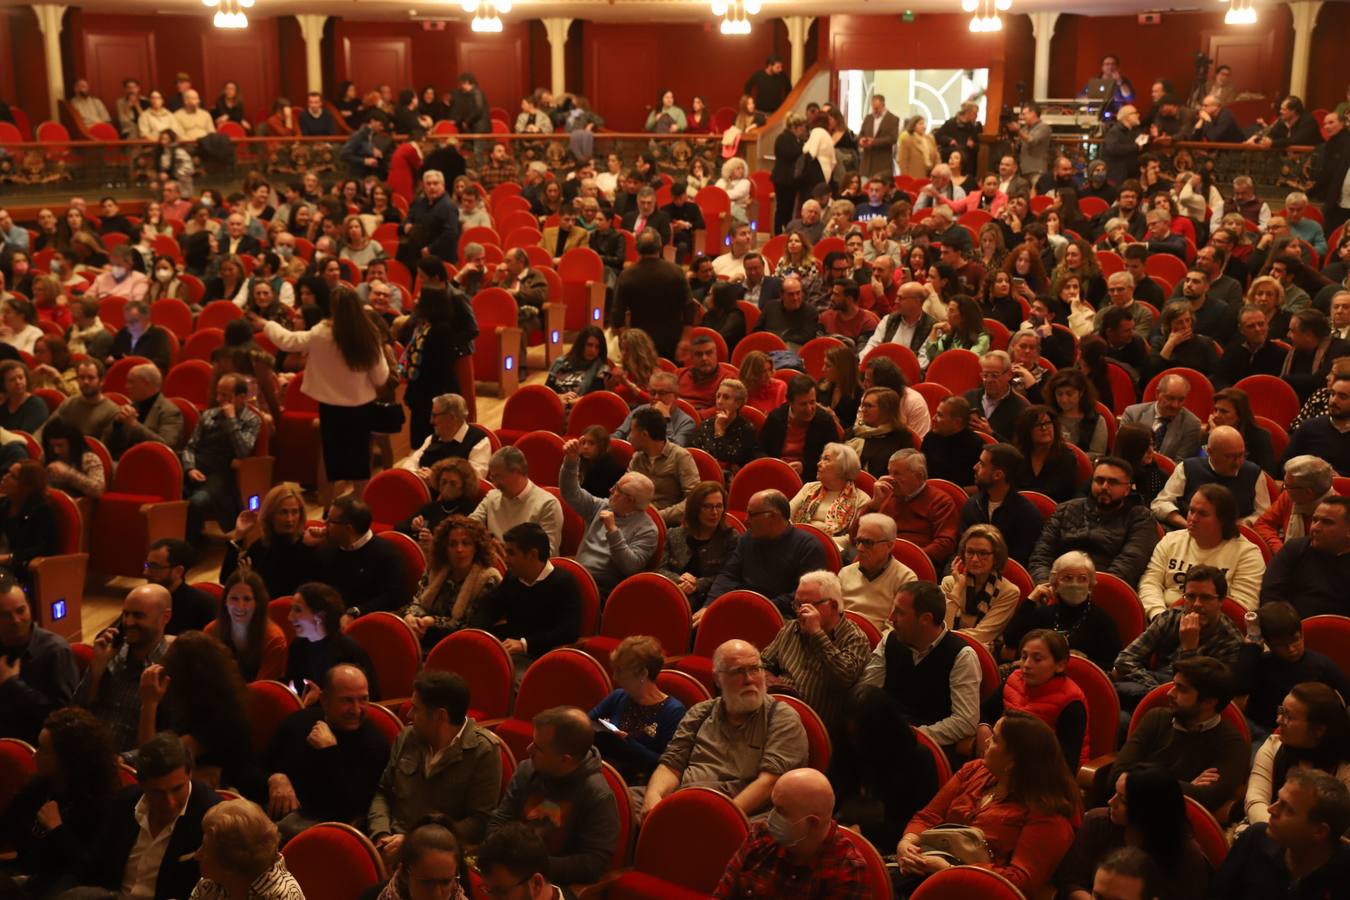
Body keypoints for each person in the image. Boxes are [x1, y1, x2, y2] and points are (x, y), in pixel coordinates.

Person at [895, 714, 1079, 897]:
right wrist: (907, 844)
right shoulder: (974, 770)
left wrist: (951, 870)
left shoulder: (1046, 811)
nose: (987, 741)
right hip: (931, 868)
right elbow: (928, 816)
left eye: (996, 739)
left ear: (1012, 761)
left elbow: (1020, 881)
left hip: (981, 891)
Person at [642, 639, 808, 816]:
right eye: (738, 671)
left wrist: (721, 816)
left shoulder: (781, 717)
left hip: (743, 812)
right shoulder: (700, 712)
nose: (749, 679)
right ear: (718, 679)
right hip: (685, 797)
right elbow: (671, 765)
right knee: (620, 804)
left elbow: (770, 783)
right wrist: (653, 797)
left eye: (755, 669)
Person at [486, 706, 617, 885]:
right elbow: (501, 819)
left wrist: (528, 866)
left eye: (538, 748)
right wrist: (498, 852)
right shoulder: (527, 769)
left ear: (565, 759)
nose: (528, 749)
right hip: (512, 871)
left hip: (552, 882)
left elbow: (593, 864)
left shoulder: (598, 796)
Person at [82, 731, 221, 899]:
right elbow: (93, 868)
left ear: (190, 774)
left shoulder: (212, 815)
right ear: (141, 784)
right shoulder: (124, 802)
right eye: (157, 793)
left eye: (177, 789)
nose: (170, 802)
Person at [261, 663, 389, 843]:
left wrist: (330, 752)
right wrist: (274, 778)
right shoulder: (297, 723)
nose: (356, 709)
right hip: (272, 816)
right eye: (347, 701)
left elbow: (353, 807)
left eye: (363, 699)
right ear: (324, 700)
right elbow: (250, 771)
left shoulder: (376, 743)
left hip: (323, 833)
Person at [0, 707, 120, 896]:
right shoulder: (40, 785)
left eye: (44, 751)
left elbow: (91, 869)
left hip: (65, 889)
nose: (35, 755)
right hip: (27, 877)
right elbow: (5, 826)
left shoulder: (101, 800)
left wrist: (57, 829)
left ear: (68, 759)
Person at [1110, 654, 1248, 812]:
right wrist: (1187, 786)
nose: (1170, 693)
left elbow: (1206, 800)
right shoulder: (1155, 718)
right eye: (1174, 685)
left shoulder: (1232, 744)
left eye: (1181, 689)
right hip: (1128, 812)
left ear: (1209, 702)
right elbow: (1117, 775)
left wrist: (1141, 778)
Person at [858, 580, 980, 750]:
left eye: (899, 613)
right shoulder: (891, 640)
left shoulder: (962, 656)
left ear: (925, 619)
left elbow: (965, 721)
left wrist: (914, 735)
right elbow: (867, 691)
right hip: (883, 734)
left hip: (924, 748)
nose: (890, 618)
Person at [1054, 768, 1210, 900]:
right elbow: (1070, 879)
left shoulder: (1186, 855)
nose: (1110, 802)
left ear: (1147, 810)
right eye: (1115, 793)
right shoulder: (1096, 822)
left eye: (1122, 800)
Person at [713, 767, 869, 899]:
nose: (771, 818)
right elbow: (722, 894)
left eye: (781, 811)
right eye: (773, 807)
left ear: (812, 823)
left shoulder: (847, 870)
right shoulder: (760, 834)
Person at [761, 570, 870, 737]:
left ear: (832, 605)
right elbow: (762, 663)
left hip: (816, 729)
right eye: (796, 605)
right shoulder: (792, 627)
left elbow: (843, 678)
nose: (799, 612)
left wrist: (817, 634)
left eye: (806, 606)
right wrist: (774, 685)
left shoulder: (855, 638)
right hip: (776, 714)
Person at [1212, 769, 1350, 899]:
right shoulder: (1255, 837)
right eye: (1277, 800)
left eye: (1287, 809)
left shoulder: (1343, 876)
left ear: (1319, 831)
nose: (1271, 809)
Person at [470, 522, 581, 677]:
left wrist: (525, 644)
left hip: (540, 656)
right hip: (508, 647)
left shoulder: (564, 583)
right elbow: (488, 607)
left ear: (532, 555)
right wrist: (478, 635)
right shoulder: (512, 577)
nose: (505, 559)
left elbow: (568, 631)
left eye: (511, 553)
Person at [1029, 457, 1158, 586]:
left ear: (1127, 490)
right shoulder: (1066, 508)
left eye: (1113, 482)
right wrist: (1046, 586)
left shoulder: (1140, 518)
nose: (1104, 487)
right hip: (1055, 587)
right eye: (1099, 480)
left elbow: (1128, 566)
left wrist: (1088, 592)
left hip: (1103, 593)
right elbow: (1041, 556)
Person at [1241, 681, 1350, 834]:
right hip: (1270, 833)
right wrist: (1283, 834)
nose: (1279, 720)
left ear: (1319, 730)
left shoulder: (1344, 765)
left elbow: (1343, 826)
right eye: (1281, 711)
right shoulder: (1273, 746)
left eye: (1288, 717)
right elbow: (1255, 801)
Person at [703, 489, 828, 620]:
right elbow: (729, 574)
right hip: (744, 607)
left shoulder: (808, 547)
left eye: (752, 514)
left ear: (773, 516)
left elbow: (805, 595)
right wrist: (710, 605)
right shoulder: (748, 538)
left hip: (781, 616)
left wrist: (760, 608)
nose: (746, 520)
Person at [75, 584, 172, 752]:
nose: (128, 622)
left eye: (138, 616)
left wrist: (122, 761)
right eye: (125, 614)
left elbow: (165, 746)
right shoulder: (110, 653)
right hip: (87, 753)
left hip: (129, 769)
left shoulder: (170, 669)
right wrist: (97, 670)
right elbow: (76, 711)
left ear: (165, 617)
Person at [560, 439, 658, 595]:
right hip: (576, 577)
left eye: (617, 489)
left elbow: (630, 566)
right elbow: (571, 493)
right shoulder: (601, 506)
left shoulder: (647, 530)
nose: (611, 490)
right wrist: (571, 461)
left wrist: (613, 530)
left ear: (630, 500)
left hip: (603, 590)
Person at [587, 635, 686, 784]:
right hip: (604, 770)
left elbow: (666, 765)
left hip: (640, 781)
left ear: (643, 673)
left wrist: (628, 742)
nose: (614, 677)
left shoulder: (673, 711)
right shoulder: (618, 696)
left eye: (620, 671)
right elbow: (586, 724)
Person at [400, 513, 500, 652]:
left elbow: (469, 626)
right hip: (421, 635)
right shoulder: (434, 569)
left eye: (466, 543)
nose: (459, 550)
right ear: (444, 548)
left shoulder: (488, 579)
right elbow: (417, 601)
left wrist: (432, 622)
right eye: (453, 544)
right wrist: (410, 616)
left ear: (476, 547)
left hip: (460, 647)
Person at [0, 572, 77, 742]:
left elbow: (64, 719)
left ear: (30, 607)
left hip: (37, 749)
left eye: (21, 610)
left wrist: (12, 684)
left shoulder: (56, 650)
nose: (15, 620)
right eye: (5, 615)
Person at [182, 373, 262, 538]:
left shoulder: (252, 420)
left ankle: (193, 544)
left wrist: (231, 419)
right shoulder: (208, 415)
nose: (218, 399)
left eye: (225, 395)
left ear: (241, 397)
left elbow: (243, 450)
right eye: (217, 393)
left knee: (198, 502)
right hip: (196, 468)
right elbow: (190, 447)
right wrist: (190, 468)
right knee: (172, 492)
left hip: (222, 475)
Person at [189, 798, 306, 899]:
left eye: (205, 850)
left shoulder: (282, 896)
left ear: (231, 865)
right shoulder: (211, 883)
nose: (197, 855)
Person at [220, 484, 319, 598]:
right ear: (271, 515)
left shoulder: (307, 544)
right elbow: (226, 579)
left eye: (295, 512)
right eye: (283, 512)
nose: (290, 519)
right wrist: (238, 536)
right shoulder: (261, 547)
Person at [283, 582, 379, 699]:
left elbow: (361, 701)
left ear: (319, 616)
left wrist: (320, 698)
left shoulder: (348, 651)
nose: (290, 617)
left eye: (297, 610)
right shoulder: (297, 646)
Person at [1260, 495, 1350, 618]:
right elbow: (1270, 598)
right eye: (1315, 520)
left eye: (1327, 522)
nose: (1315, 528)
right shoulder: (1294, 550)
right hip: (1289, 631)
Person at [959, 443, 1044, 567]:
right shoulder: (972, 505)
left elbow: (1020, 562)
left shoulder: (1027, 515)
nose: (975, 467)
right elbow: (960, 550)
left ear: (998, 475)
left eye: (982, 464)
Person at [470, 447, 564, 557]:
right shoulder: (492, 496)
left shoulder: (547, 505)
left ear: (517, 472)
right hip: (495, 563)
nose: (495, 483)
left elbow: (547, 554)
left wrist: (507, 554)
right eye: (492, 477)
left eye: (498, 477)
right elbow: (470, 526)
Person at [942, 524, 1021, 654]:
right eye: (970, 552)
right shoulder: (950, 583)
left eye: (983, 553)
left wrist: (947, 637)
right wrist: (957, 590)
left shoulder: (1009, 592)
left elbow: (983, 635)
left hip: (981, 655)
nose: (974, 559)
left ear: (996, 557)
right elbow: (941, 628)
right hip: (947, 651)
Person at [611, 230, 689, 361]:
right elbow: (689, 307)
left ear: (637, 248)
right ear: (660, 246)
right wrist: (685, 339)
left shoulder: (627, 275)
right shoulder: (676, 272)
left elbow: (617, 313)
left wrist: (625, 340)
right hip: (672, 339)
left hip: (640, 341)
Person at [205, 569, 286, 683]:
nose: (240, 606)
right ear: (225, 601)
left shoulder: (273, 640)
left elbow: (263, 688)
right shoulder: (211, 632)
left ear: (258, 603)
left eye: (247, 599)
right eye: (234, 598)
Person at [625, 406, 699, 525]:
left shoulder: (681, 457)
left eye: (632, 431)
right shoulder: (637, 458)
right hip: (636, 520)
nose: (629, 437)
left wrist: (658, 517)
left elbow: (694, 499)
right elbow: (624, 490)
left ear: (644, 434)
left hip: (668, 524)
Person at [759, 374, 839, 480]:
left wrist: (805, 467)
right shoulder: (776, 417)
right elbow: (758, 450)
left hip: (810, 479)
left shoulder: (825, 422)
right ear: (790, 403)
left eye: (812, 402)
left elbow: (834, 459)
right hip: (775, 474)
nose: (809, 409)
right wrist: (775, 464)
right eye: (803, 404)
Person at [396, 393, 490, 482]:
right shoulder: (432, 438)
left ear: (451, 417)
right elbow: (410, 464)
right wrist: (417, 474)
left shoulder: (479, 441)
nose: (431, 421)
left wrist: (436, 479)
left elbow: (474, 481)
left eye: (435, 416)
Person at [101, 362, 185, 458]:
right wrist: (117, 424)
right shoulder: (132, 407)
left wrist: (135, 425)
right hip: (125, 461)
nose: (126, 386)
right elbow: (105, 444)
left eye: (131, 382)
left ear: (145, 383)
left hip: (151, 465)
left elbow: (166, 447)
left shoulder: (170, 412)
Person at [1120, 373, 1204, 460]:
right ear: (1157, 393)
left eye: (1181, 399)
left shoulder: (1191, 424)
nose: (1175, 405)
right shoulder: (1133, 413)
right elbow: (1121, 450)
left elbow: (1180, 464)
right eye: (1170, 398)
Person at [1282, 371, 1350, 476]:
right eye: (1332, 394)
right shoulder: (1309, 427)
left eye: (1342, 397)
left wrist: (1340, 480)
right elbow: (1285, 465)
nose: (1333, 400)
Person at [690, 378, 758, 475]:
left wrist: (719, 431)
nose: (719, 402)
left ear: (738, 403)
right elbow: (695, 455)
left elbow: (732, 458)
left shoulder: (746, 429)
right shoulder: (705, 425)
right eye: (718, 396)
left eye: (726, 397)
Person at [40, 416, 106, 499]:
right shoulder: (46, 456)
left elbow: (98, 491)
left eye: (60, 445)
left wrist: (68, 473)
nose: (56, 451)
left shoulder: (89, 459)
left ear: (72, 443)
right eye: (52, 446)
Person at [108, 298, 174, 373]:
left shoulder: (158, 335)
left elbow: (162, 364)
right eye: (127, 321)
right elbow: (113, 353)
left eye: (134, 321)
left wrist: (132, 361)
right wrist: (113, 358)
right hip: (122, 373)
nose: (129, 325)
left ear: (146, 318)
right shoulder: (124, 332)